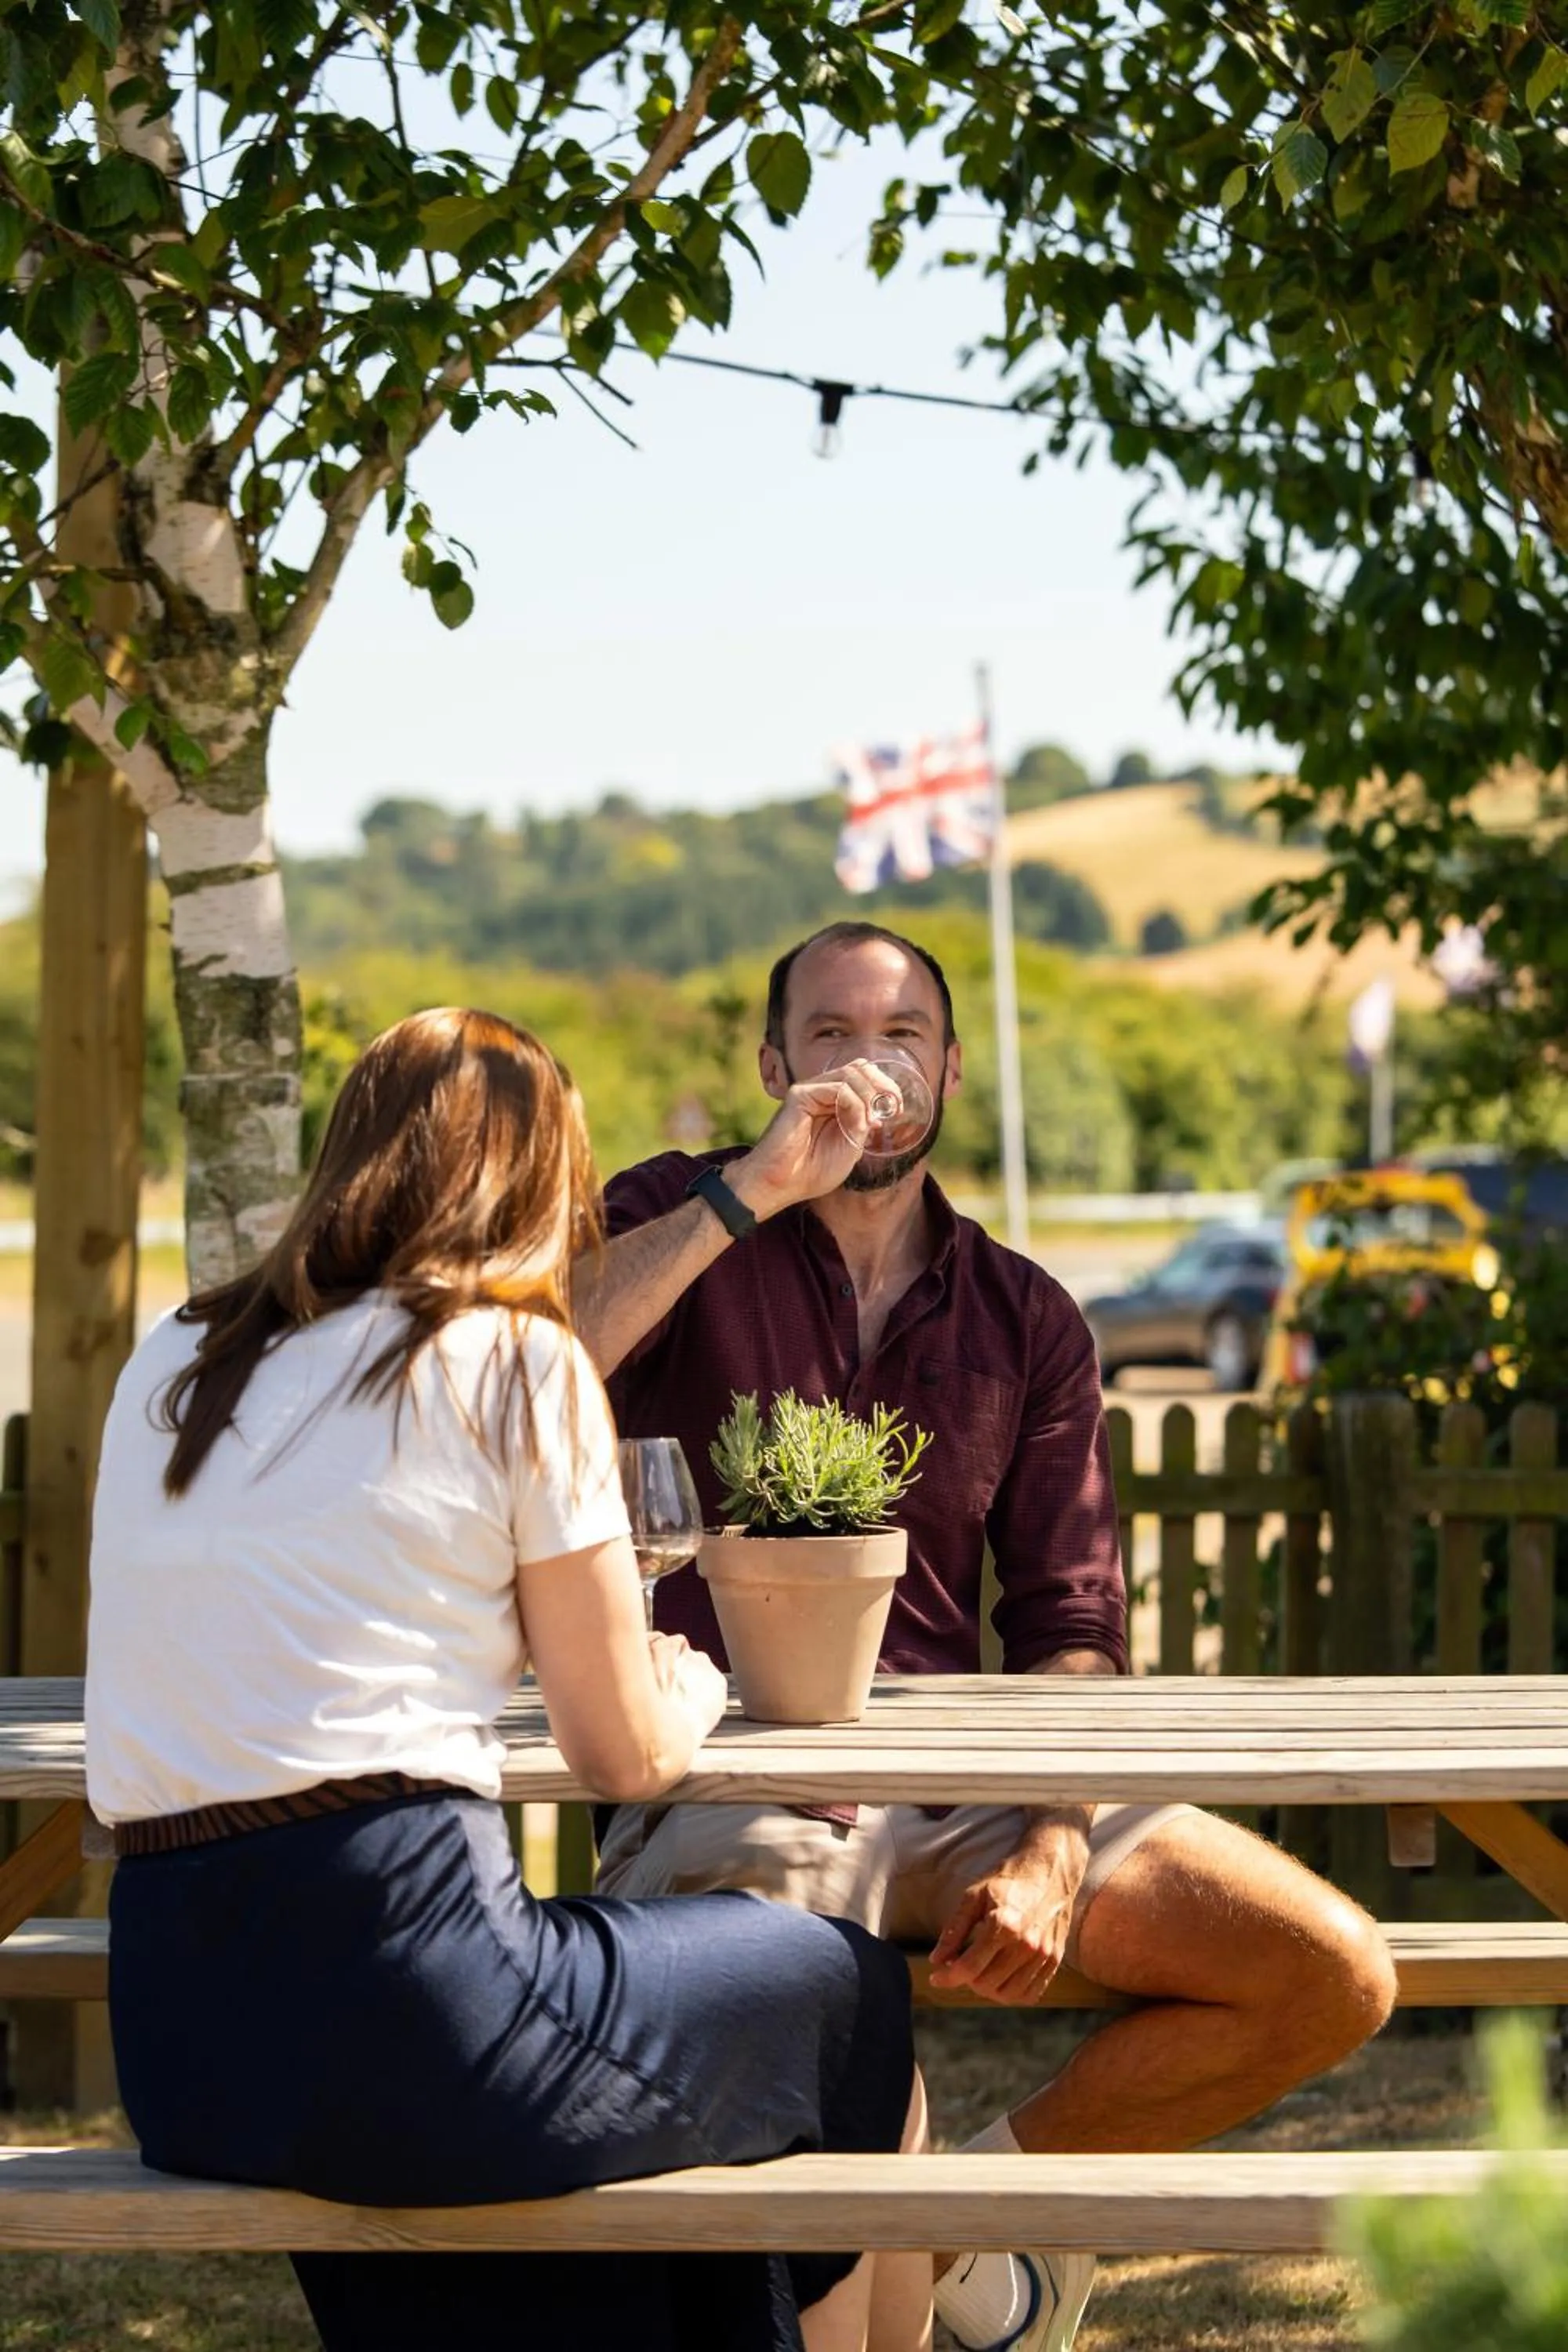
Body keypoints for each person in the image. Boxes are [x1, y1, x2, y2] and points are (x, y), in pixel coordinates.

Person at [576, 921, 1400, 2352]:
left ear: (949, 1069)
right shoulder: (678, 1212)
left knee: (1330, 1971)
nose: (867, 1066)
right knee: (796, 2040)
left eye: (899, 1037)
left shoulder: (1029, 1314)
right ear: (776, 1065)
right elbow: (535, 1358)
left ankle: (960, 2230)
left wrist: (1058, 1832)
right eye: (830, 1036)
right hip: (727, 1782)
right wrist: (759, 1187)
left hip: (975, 1785)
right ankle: (898, 2294)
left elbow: (1076, 1618)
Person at [85, 1007, 931, 2352]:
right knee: (844, 1993)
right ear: (544, 1188)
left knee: (686, 2037)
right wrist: (691, 1688)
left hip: (186, 2044)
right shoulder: (513, 1360)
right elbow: (627, 1760)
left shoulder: (176, 1358)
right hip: (417, 2003)